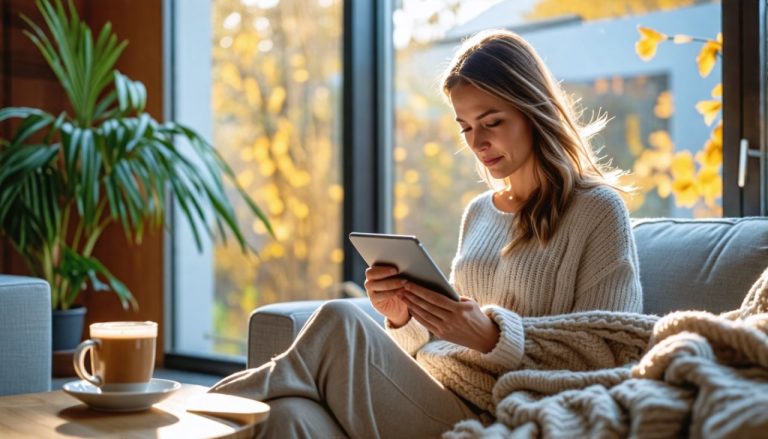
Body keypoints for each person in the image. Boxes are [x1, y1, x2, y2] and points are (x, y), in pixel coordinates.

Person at [209, 29, 642, 438]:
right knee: (287, 417)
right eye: (466, 127)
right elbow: (435, 339)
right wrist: (401, 315)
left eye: (491, 122)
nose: (477, 142)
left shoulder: (597, 211)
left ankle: (205, 410)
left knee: (340, 319)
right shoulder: (479, 214)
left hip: (500, 411)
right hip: (439, 387)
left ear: (533, 111)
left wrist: (493, 338)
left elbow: (610, 356)